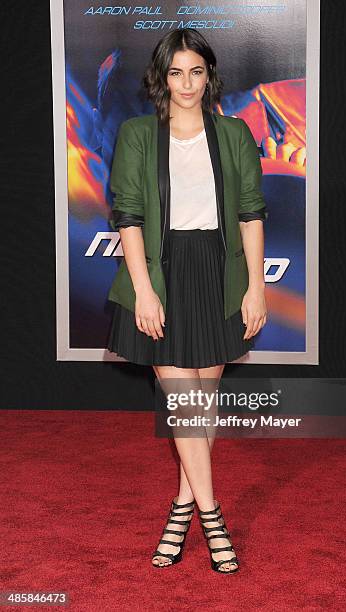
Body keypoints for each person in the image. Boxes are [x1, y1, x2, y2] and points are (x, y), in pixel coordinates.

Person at [107, 28, 268, 573]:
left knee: (201, 405)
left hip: (217, 274)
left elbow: (250, 210)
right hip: (160, 273)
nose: (186, 83)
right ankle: (213, 516)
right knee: (184, 403)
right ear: (162, 77)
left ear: (209, 74)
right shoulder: (136, 135)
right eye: (176, 72)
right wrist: (145, 291)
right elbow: (127, 214)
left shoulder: (233, 134)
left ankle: (180, 508)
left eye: (195, 71)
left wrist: (255, 285)